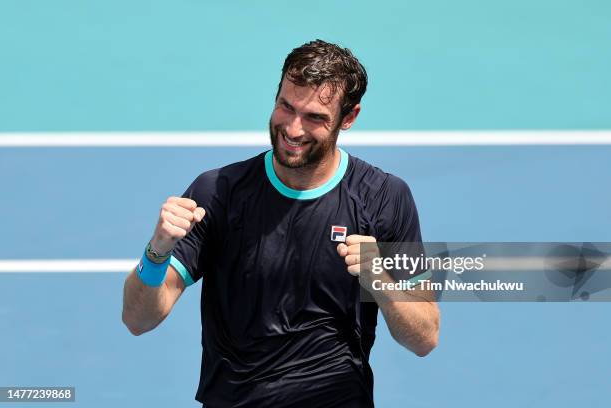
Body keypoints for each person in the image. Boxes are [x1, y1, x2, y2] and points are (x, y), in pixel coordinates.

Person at [122, 39, 440, 408]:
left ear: (349, 118)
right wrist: (156, 252)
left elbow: (425, 336)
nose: (292, 128)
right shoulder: (218, 194)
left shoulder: (385, 199)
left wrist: (380, 281)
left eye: (314, 118)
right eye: (286, 107)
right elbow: (137, 319)